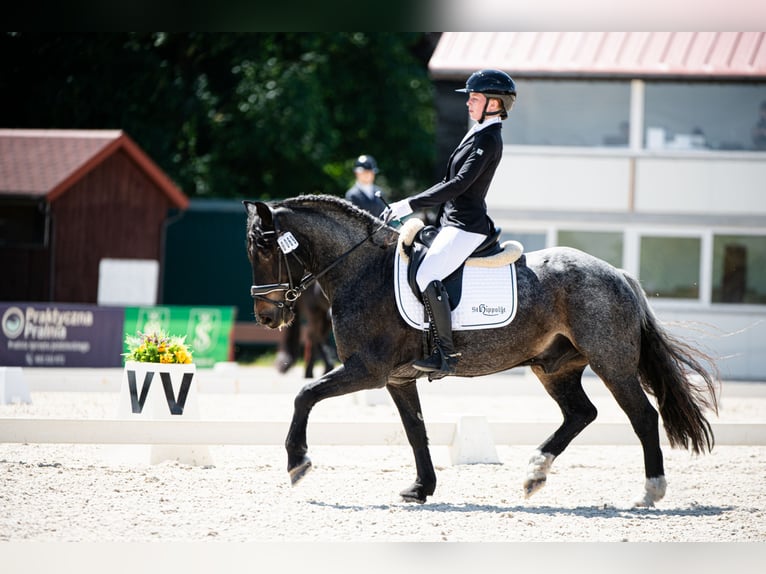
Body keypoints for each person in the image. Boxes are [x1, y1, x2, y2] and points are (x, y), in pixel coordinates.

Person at [382, 69, 516, 378]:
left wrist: (409, 204)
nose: (469, 103)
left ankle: (445, 354)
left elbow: (458, 184)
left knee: (428, 272)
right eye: (469, 97)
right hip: (451, 222)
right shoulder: (477, 131)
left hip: (467, 227)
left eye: (475, 98)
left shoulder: (489, 139)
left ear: (495, 104)